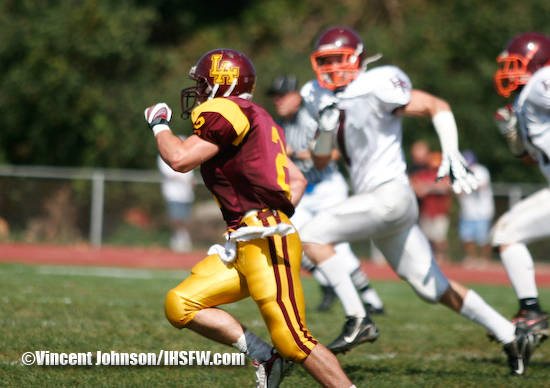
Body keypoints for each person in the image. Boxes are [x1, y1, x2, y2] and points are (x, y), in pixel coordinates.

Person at [298, 26, 536, 376]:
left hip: (390, 195)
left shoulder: (378, 82)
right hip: (376, 201)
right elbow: (323, 159)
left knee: (312, 234)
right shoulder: (316, 94)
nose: (333, 67)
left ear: (359, 59)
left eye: (340, 58)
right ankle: (511, 334)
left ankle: (358, 317)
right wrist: (327, 131)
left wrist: (451, 152)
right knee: (431, 287)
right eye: (327, 60)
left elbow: (436, 105)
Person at [144, 49, 356, 388]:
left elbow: (180, 159)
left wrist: (159, 124)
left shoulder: (227, 109)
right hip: (245, 240)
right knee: (181, 304)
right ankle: (264, 356)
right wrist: (269, 212)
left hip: (263, 238)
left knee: (294, 340)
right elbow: (297, 181)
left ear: (221, 84)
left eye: (203, 83)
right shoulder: (261, 119)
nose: (199, 91)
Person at [267, 74, 385, 314]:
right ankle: (328, 283)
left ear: (296, 96)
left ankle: (371, 299)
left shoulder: (311, 118)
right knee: (293, 241)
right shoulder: (278, 124)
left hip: (327, 187)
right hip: (301, 189)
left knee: (337, 246)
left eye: (282, 95)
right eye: (274, 96)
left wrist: (299, 153)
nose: (278, 100)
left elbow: (334, 154)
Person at [491, 31, 550, 346]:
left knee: (506, 233)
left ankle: (532, 313)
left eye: (516, 64)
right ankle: (531, 312)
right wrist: (515, 140)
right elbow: (533, 159)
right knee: (506, 233)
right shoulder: (528, 97)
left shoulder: (543, 80)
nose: (509, 71)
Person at [409, 150, 453, 264]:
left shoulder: (443, 174)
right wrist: (434, 187)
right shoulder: (423, 173)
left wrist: (428, 186)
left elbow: (446, 187)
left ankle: (444, 258)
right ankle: (433, 257)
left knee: (440, 237)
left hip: (440, 212)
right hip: (426, 211)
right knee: (428, 238)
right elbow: (418, 189)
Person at [457, 150, 495, 268]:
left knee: (483, 238)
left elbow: (481, 186)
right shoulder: (459, 173)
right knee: (467, 237)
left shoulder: (481, 171)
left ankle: (485, 260)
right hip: (467, 211)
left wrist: (467, 185)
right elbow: (458, 192)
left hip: (482, 211)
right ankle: (471, 258)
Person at [157, 138, 196, 253]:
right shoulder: (165, 156)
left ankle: (183, 236)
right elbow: (171, 173)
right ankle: (178, 237)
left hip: (186, 194)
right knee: (176, 217)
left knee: (186, 217)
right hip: (173, 193)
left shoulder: (188, 156)